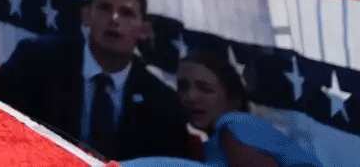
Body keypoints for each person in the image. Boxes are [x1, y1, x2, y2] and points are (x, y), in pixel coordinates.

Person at [0, 0, 191, 158]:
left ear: (143, 30)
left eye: (126, 13)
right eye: (104, 8)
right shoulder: (37, 59)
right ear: (86, 16)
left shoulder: (163, 102)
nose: (114, 19)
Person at [117, 50, 328, 167]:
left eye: (206, 89)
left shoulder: (235, 125)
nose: (191, 97)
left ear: (234, 99)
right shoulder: (222, 138)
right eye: (183, 87)